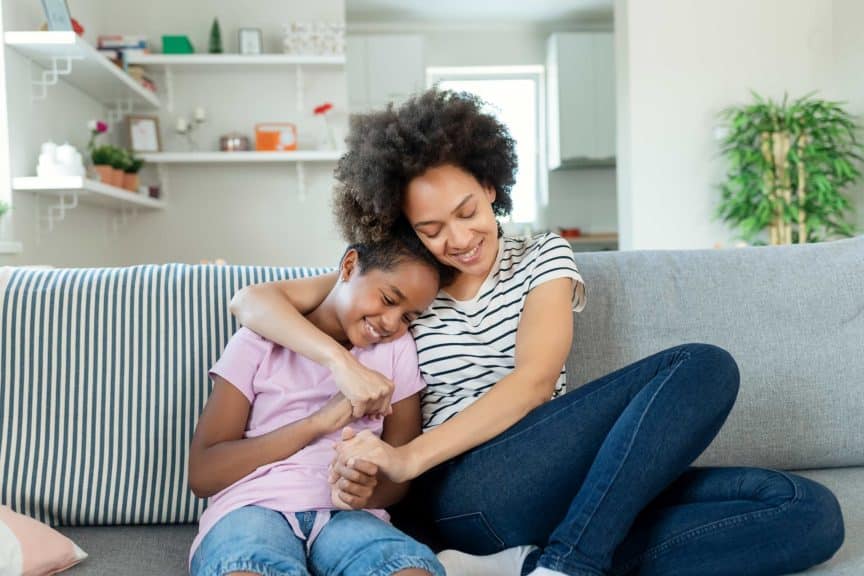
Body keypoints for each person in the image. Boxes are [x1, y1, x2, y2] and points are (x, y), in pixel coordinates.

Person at [230, 88, 845, 576]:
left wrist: (402, 456)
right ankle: (569, 565)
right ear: (405, 228)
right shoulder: (406, 286)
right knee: (701, 363)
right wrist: (342, 367)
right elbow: (253, 300)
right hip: (467, 489)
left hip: (566, 476)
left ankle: (535, 563)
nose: (460, 238)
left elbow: (533, 382)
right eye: (433, 227)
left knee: (807, 513)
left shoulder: (542, 256)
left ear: (491, 188)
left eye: (468, 211)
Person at [187, 236, 447, 576]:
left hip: (349, 519)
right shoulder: (258, 340)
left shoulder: (396, 350)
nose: (390, 323)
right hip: (254, 507)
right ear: (350, 266)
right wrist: (317, 423)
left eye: (408, 317)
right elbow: (204, 474)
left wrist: (365, 488)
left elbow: (398, 476)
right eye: (387, 299)